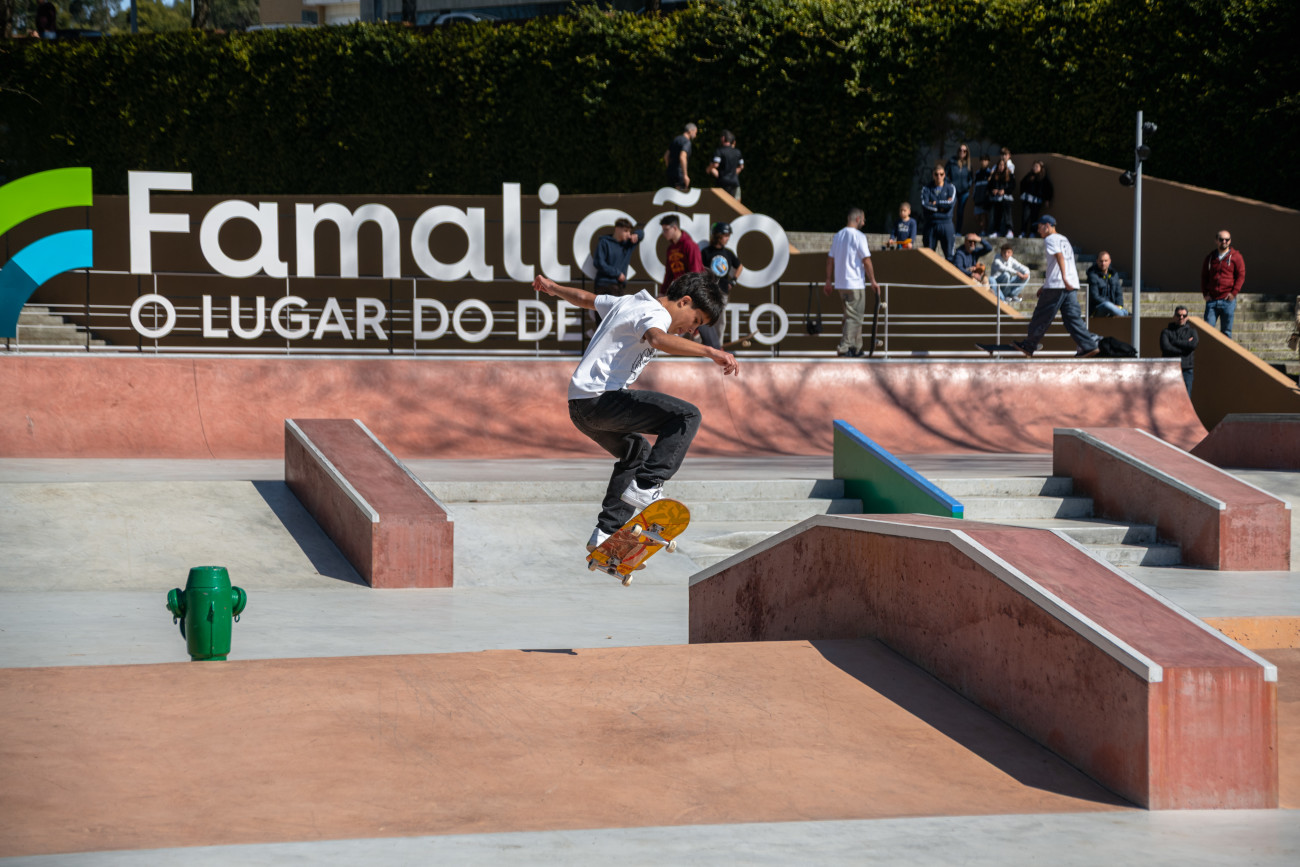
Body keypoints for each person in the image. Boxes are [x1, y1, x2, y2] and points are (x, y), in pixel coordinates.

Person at [531, 271, 736, 552]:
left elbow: (585, 298)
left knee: (637, 452)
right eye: (696, 321)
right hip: (602, 399)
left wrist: (554, 288)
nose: (691, 330)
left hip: (580, 406)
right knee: (686, 416)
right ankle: (647, 486)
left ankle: (606, 532)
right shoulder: (655, 313)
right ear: (685, 301)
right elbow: (657, 339)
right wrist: (710, 351)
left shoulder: (628, 301)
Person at [1013, 215, 1100, 358]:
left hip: (1058, 284)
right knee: (1072, 318)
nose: (1038, 231)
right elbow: (1057, 264)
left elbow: (1059, 257)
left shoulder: (1050, 239)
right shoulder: (1064, 239)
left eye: (1039, 227)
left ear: (1047, 226)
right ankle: (1089, 346)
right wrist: (1047, 284)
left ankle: (1029, 345)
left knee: (1041, 316)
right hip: (1070, 284)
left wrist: (1063, 277)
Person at [824, 207, 881, 357]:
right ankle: (844, 347)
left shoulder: (838, 236)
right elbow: (866, 260)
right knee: (855, 317)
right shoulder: (859, 236)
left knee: (850, 316)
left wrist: (828, 281)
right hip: (855, 283)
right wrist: (873, 281)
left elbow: (830, 259)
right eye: (863, 219)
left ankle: (856, 348)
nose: (864, 222)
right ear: (857, 219)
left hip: (841, 284)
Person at [697, 221, 743, 349]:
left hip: (722, 292)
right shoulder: (706, 252)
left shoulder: (728, 253)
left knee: (720, 320)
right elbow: (699, 269)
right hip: (708, 292)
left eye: (728, 236)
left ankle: (718, 345)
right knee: (705, 317)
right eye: (726, 236)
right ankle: (703, 345)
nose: (727, 239)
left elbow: (739, 266)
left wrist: (733, 280)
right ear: (717, 236)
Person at [1201, 229, 1246, 338]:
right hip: (1212, 300)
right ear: (1216, 241)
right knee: (1207, 331)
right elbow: (1204, 276)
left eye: (1227, 239)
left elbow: (1241, 276)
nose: (1224, 242)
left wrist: (1233, 293)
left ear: (1230, 241)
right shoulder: (1210, 257)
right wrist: (1205, 293)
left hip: (1227, 300)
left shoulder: (1236, 257)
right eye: (1221, 239)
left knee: (1226, 332)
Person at [593, 218, 644, 296]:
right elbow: (598, 263)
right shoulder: (604, 242)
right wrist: (617, 273)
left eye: (629, 231)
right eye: (625, 231)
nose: (628, 234)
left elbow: (642, 233)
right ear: (617, 229)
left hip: (619, 286)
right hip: (603, 285)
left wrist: (636, 234)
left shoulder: (628, 244)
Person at [658, 215, 703, 296]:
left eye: (666, 229)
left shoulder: (690, 245)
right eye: (663, 230)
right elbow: (669, 274)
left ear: (675, 228)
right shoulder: (670, 248)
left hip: (692, 291)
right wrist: (662, 292)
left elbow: (695, 271)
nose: (664, 233)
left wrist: (692, 292)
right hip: (680, 290)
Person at [920, 164, 957, 259]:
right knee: (928, 256)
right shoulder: (926, 188)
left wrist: (935, 203)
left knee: (950, 256)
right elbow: (925, 204)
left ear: (944, 175)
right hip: (931, 224)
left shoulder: (951, 187)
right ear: (933, 175)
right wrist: (941, 207)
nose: (939, 177)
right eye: (936, 174)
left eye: (941, 174)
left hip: (946, 224)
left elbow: (950, 204)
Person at [1160, 305, 1197, 396]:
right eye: (1178, 315)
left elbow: (1192, 345)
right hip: (1170, 368)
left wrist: (1174, 342)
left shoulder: (1192, 332)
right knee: (1169, 396)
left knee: (1186, 396)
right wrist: (1184, 349)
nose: (1181, 317)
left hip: (1186, 369)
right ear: (1174, 316)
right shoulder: (1166, 332)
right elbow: (1166, 347)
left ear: (1187, 317)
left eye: (1184, 315)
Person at [1087, 251, 1129, 317]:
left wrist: (1119, 306)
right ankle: (1124, 313)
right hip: (1097, 308)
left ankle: (1122, 312)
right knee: (1107, 305)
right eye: (1101, 261)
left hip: (1112, 307)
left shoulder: (1114, 275)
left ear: (1109, 261)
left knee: (1112, 306)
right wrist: (1112, 305)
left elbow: (1119, 294)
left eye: (1105, 261)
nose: (1103, 263)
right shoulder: (1092, 275)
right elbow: (1095, 296)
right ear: (1097, 261)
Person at [1017, 160, 1054, 237]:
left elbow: (1049, 189)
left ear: (1041, 168)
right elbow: (1022, 183)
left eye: (1037, 166)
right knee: (1025, 216)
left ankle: (1032, 233)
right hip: (1027, 200)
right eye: (1034, 166)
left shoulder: (1044, 178)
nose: (1035, 168)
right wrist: (1022, 194)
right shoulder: (1029, 175)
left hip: (1037, 202)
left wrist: (1047, 199)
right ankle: (1023, 232)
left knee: (1034, 217)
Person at [706, 130, 744, 202]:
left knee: (721, 204)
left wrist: (709, 169)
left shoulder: (719, 151)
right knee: (735, 205)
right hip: (734, 182)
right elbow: (741, 166)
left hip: (722, 182)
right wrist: (733, 174)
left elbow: (715, 164)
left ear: (723, 138)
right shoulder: (737, 152)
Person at [945, 144, 974, 233]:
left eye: (964, 151)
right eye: (960, 150)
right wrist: (950, 184)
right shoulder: (952, 162)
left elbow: (971, 178)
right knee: (950, 210)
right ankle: (948, 231)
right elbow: (945, 175)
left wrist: (967, 185)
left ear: (967, 153)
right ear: (958, 151)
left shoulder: (968, 164)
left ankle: (958, 232)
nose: (962, 152)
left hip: (964, 192)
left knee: (960, 212)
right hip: (953, 191)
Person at [987, 155, 1016, 239]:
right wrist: (993, 191)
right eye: (1000, 165)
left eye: (1003, 165)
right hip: (996, 199)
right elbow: (989, 187)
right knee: (996, 216)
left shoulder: (1010, 175)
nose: (1001, 167)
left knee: (1007, 215)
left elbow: (1012, 186)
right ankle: (996, 231)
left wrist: (1004, 191)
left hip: (1006, 199)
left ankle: (1009, 230)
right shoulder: (994, 176)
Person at [663, 123, 698, 192]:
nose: (695, 135)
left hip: (670, 173)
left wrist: (670, 168)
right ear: (690, 131)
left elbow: (666, 156)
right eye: (695, 132)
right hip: (679, 174)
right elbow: (682, 157)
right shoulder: (687, 142)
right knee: (681, 196)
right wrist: (685, 175)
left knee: (671, 195)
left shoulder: (676, 140)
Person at [971, 154, 992, 236]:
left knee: (984, 215)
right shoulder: (977, 173)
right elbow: (975, 186)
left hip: (985, 197)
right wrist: (974, 195)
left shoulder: (990, 172)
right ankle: (983, 229)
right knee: (976, 216)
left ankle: (984, 230)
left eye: (985, 160)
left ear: (988, 162)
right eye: (982, 160)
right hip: (978, 197)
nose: (984, 162)